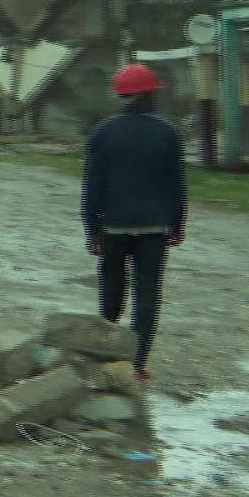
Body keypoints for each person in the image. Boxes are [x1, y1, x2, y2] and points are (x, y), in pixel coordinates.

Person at [81, 63, 187, 383]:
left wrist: (92, 229)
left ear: (122, 96)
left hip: (112, 228)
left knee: (112, 288)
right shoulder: (167, 132)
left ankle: (107, 353)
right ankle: (137, 364)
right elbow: (176, 185)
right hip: (153, 230)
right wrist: (177, 223)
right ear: (147, 95)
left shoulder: (103, 132)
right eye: (154, 92)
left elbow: (93, 185)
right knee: (147, 294)